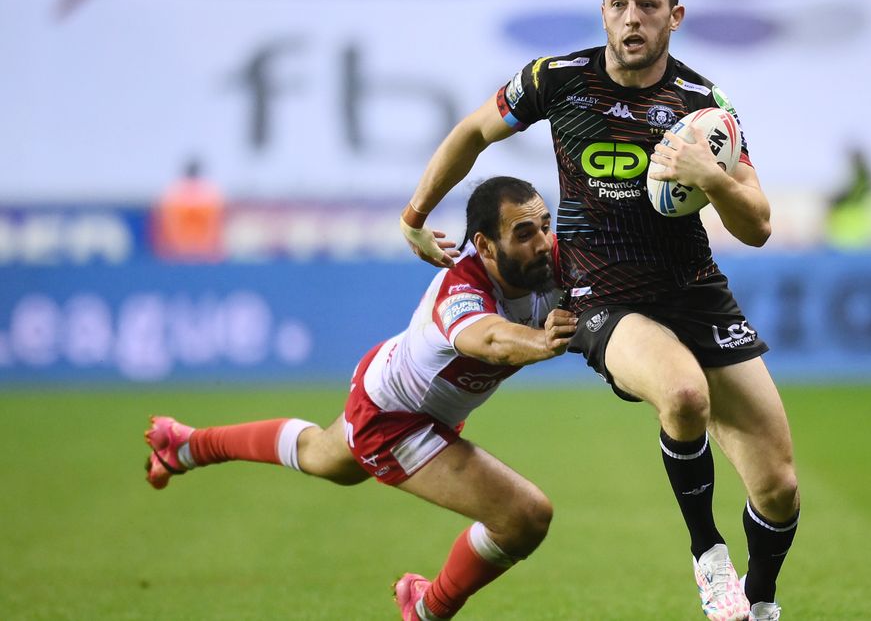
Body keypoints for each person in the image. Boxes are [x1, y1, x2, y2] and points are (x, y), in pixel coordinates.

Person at [398, 0, 800, 621]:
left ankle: (758, 602)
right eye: (618, 3)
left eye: (646, 4)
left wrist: (713, 174)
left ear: (675, 15)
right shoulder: (555, 81)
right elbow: (472, 131)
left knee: (779, 485)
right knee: (681, 392)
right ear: (603, 10)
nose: (631, 17)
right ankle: (709, 555)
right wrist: (415, 215)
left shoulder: (704, 107)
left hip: (695, 290)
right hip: (602, 296)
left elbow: (756, 225)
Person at [143, 176, 576, 621]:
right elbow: (488, 340)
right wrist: (543, 342)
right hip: (395, 417)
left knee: (321, 457)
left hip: (392, 381)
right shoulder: (461, 288)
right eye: (524, 234)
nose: (543, 242)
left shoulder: (554, 261)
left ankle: (184, 444)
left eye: (545, 225)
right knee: (524, 515)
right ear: (485, 246)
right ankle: (427, 608)